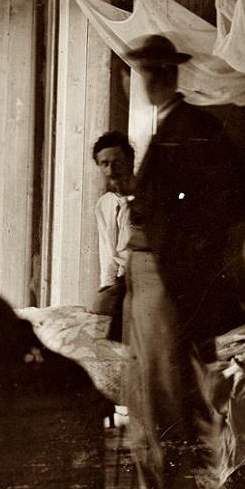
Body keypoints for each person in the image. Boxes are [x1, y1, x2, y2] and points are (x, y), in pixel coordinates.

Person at [123, 34, 245, 489]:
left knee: (171, 407)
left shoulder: (195, 127)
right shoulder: (165, 129)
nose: (152, 79)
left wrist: (206, 262)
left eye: (159, 71)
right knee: (150, 403)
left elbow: (242, 187)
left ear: (172, 74)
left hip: (169, 281)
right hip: (150, 277)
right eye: (146, 71)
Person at [92, 130, 134, 340]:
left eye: (117, 162)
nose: (111, 170)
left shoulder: (144, 198)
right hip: (122, 281)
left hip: (146, 278)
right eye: (104, 164)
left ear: (130, 161)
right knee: (99, 306)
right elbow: (107, 255)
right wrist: (107, 288)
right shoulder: (104, 204)